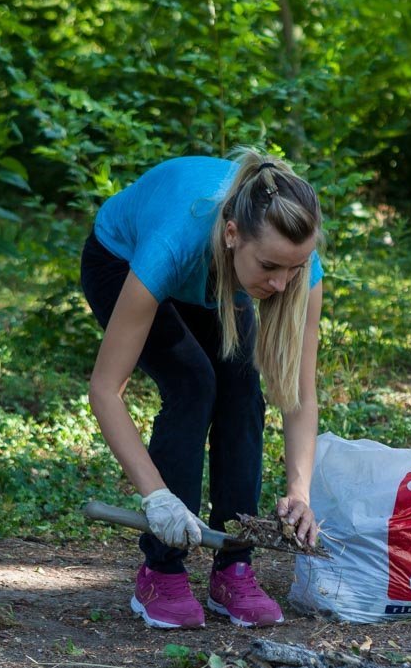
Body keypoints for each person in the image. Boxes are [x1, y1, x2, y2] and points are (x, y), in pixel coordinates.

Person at [80, 147, 323, 630]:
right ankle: (161, 571)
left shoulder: (295, 269)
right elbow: (105, 390)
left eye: (293, 269)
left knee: (241, 390)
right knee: (193, 383)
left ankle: (233, 567)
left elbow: (300, 398)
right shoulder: (172, 244)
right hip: (121, 258)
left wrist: (300, 493)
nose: (281, 284)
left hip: (216, 274)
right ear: (233, 234)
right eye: (271, 267)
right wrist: (157, 497)